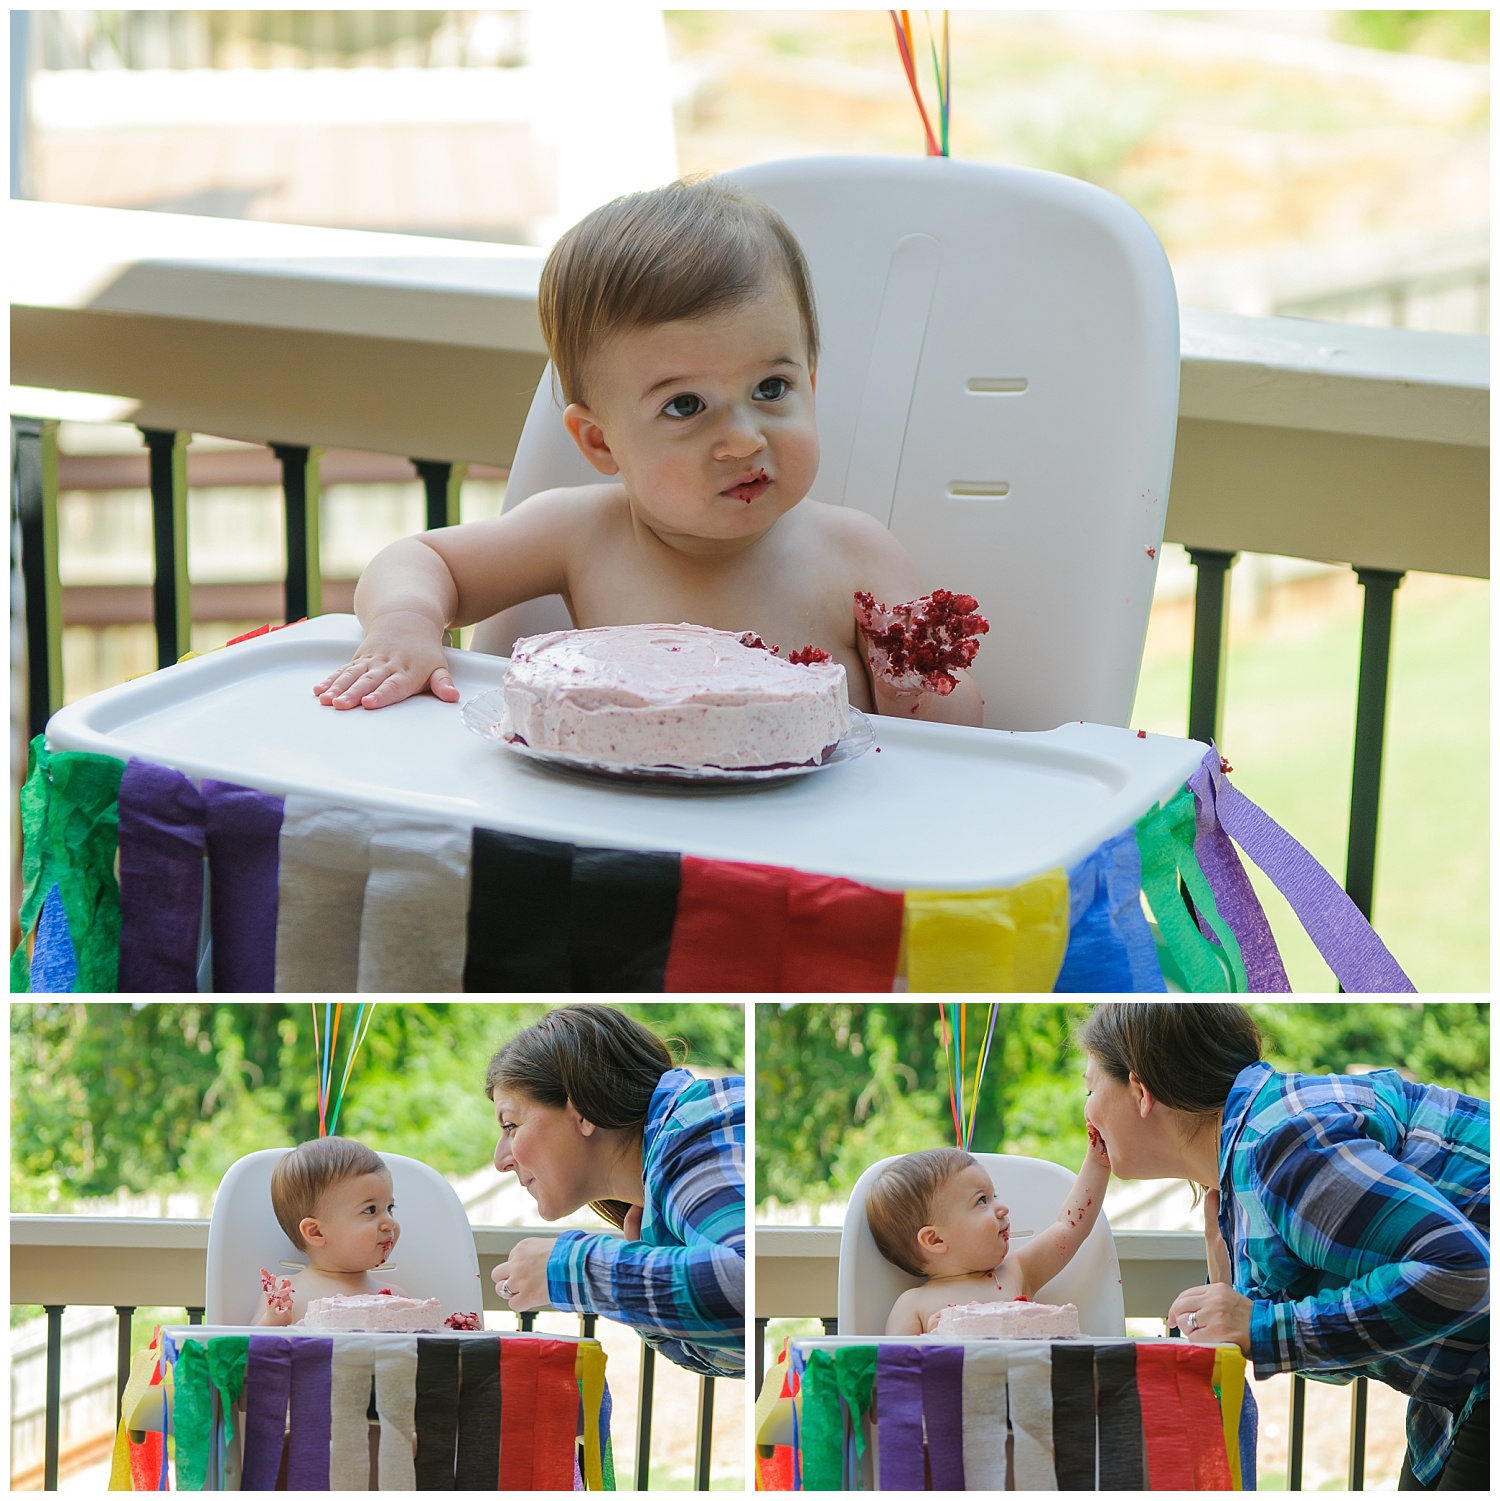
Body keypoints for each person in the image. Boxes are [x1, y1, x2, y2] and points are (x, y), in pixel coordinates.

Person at [312, 177, 984, 725]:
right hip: (628, 836)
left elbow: (953, 742)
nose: (745, 438)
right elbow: (421, 558)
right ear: (600, 442)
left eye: (772, 387)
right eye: (686, 406)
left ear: (811, 384)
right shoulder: (580, 535)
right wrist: (405, 622)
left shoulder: (854, 557)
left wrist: (922, 691)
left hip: (811, 848)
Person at [1079, 1001, 1489, 1492]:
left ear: (1140, 1091)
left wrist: (1261, 1325)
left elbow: (1464, 1272)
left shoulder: (1285, 1144)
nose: (1085, 1110)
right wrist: (1233, 1287)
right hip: (1462, 1392)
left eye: (1089, 1089)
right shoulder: (1249, 1165)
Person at [485, 1004, 745, 1379]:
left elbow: (741, 1285)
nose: (501, 1160)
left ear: (583, 1111)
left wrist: (570, 1267)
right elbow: (733, 1349)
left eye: (511, 1125)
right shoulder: (664, 1180)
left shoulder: (696, 1130)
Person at [867, 1139, 1111, 1335]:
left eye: (995, 1196)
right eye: (982, 1201)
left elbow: (1069, 1227)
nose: (1003, 1208)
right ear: (935, 1240)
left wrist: (1098, 1161)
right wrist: (930, 1344)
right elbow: (897, 1375)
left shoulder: (1018, 1271)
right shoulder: (913, 1305)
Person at [252, 1136, 407, 1326]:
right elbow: (250, 1349)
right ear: (316, 1232)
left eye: (390, 1208)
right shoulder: (287, 1294)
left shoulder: (398, 1300)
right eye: (370, 1210)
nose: (389, 1223)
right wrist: (273, 1321)